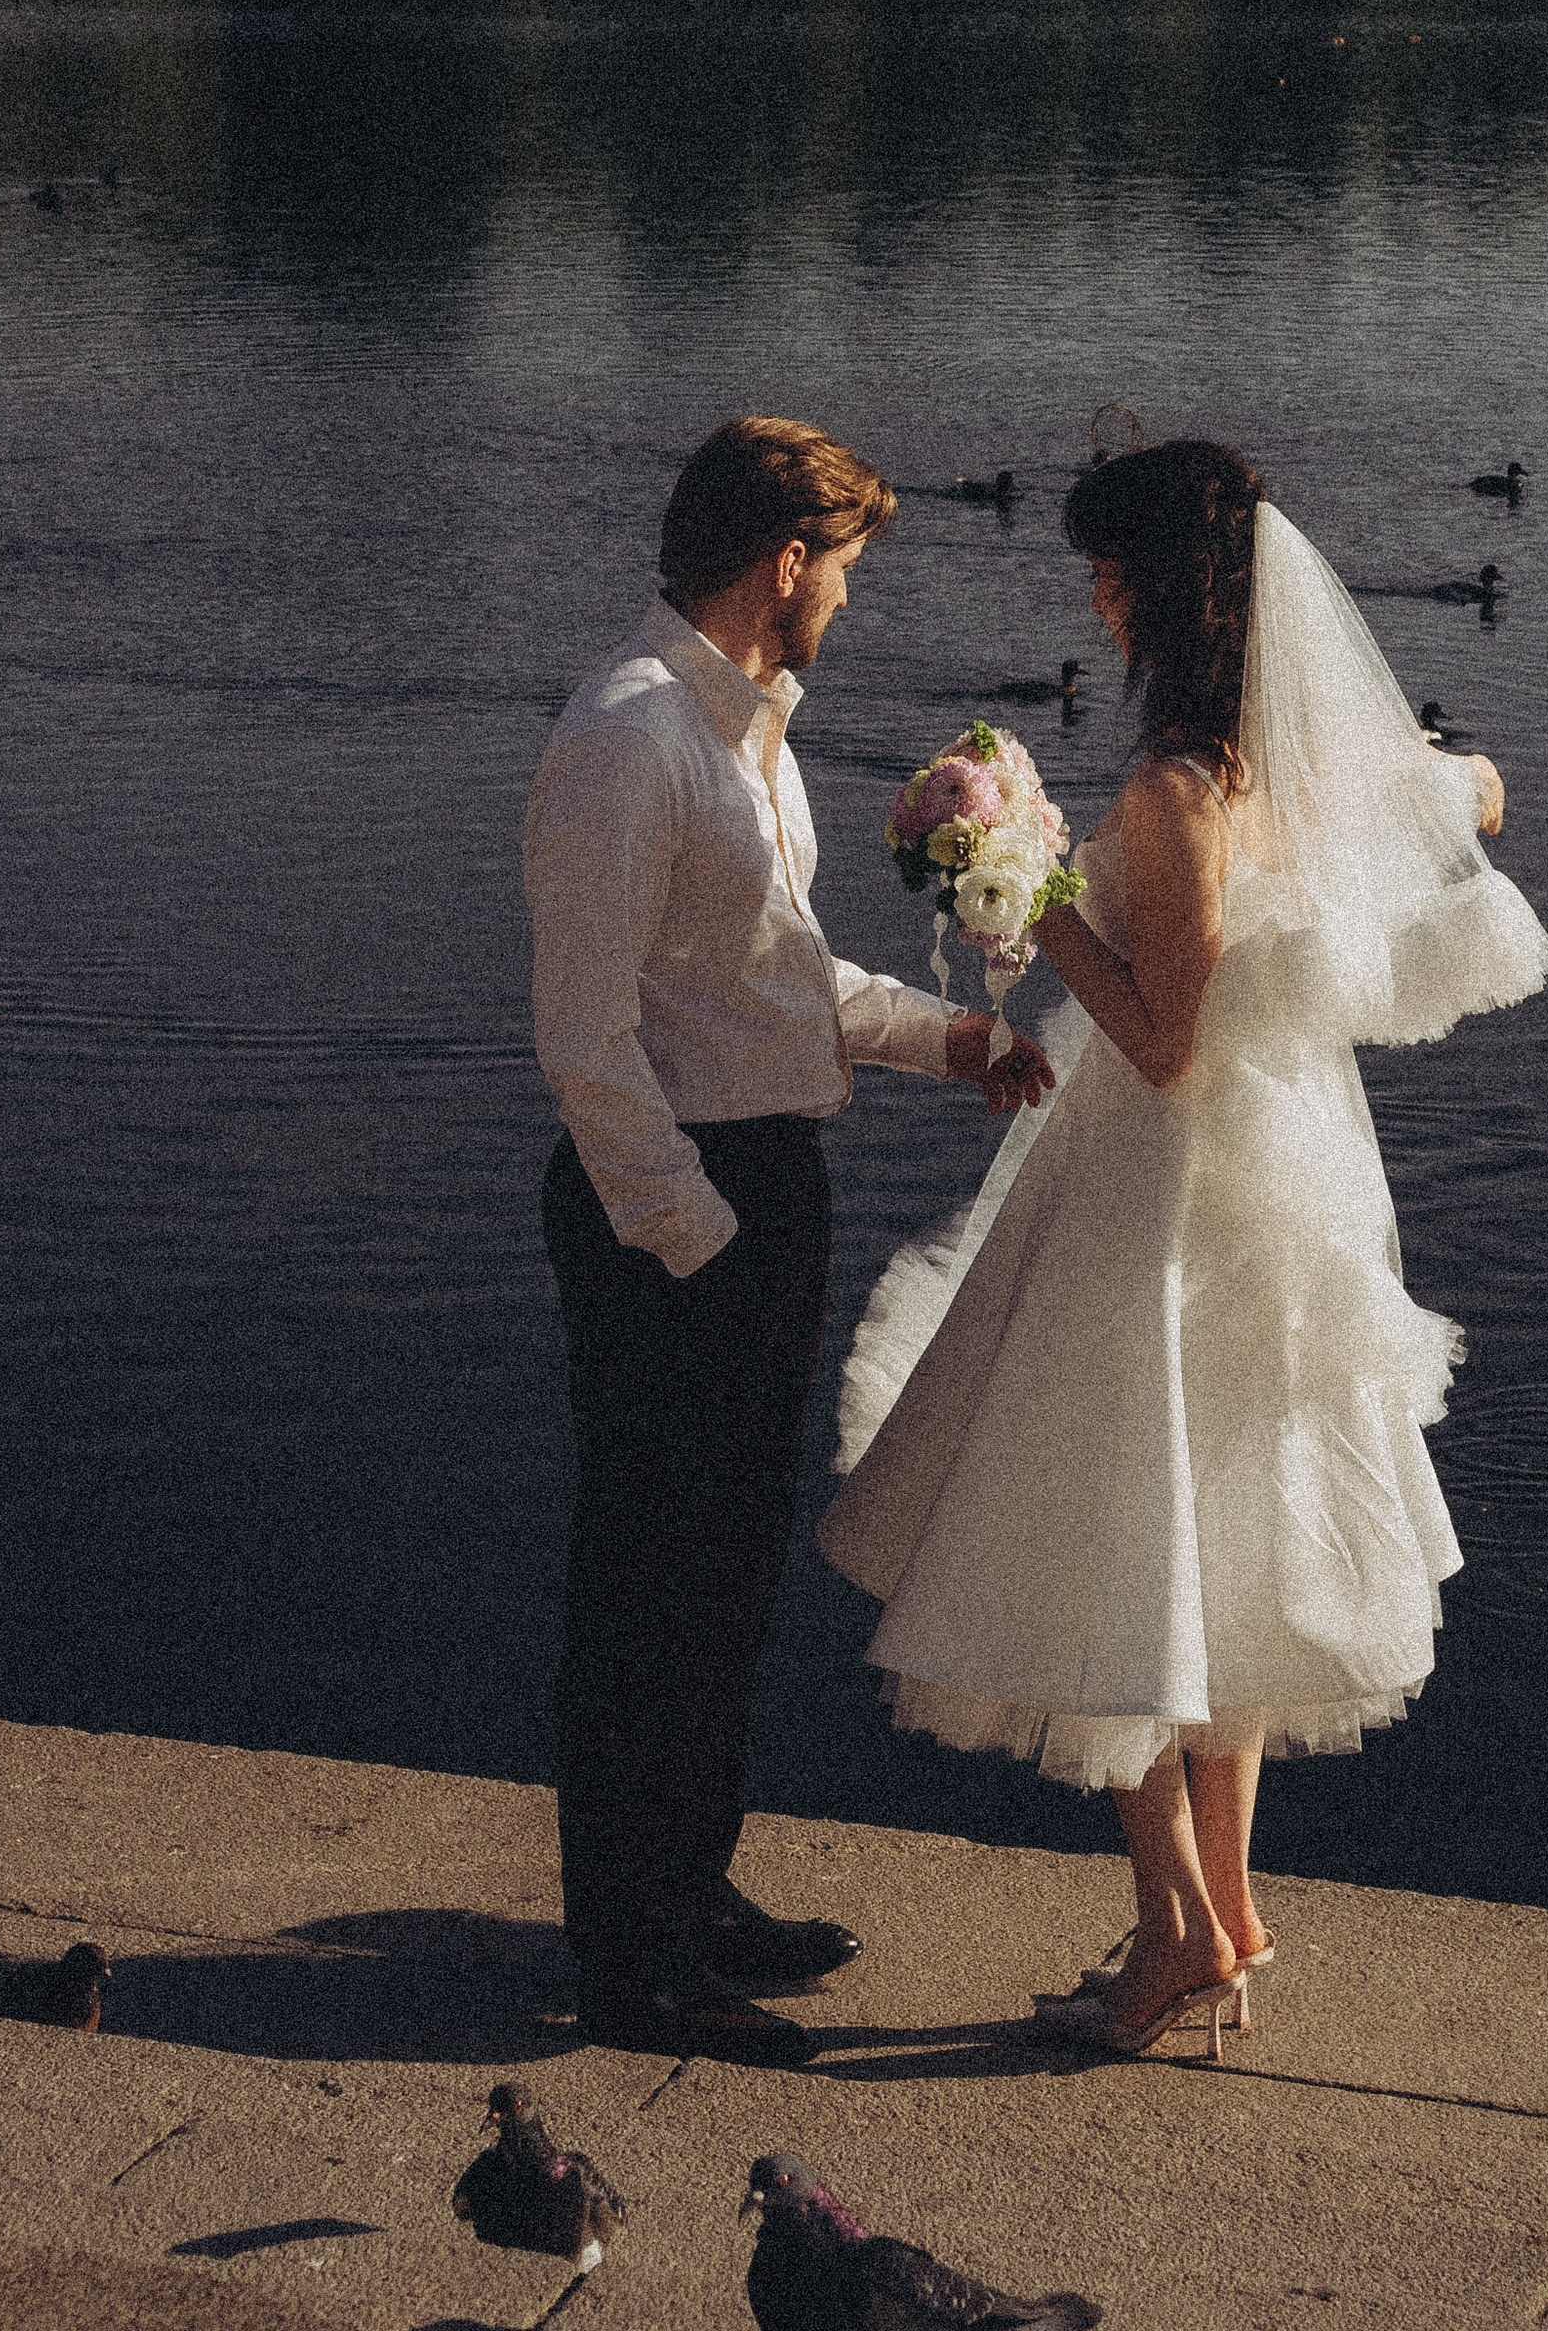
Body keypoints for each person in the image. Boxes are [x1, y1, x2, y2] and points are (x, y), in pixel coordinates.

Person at [821, 439, 1548, 2058]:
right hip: (1280, 1196)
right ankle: (1228, 1912)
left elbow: (1164, 1037)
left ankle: (1174, 1926)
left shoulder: (1173, 786)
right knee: (1222, 1542)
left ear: (1160, 587)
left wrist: (1028, 911)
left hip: (1159, 1191)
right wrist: (1449, 777)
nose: (1089, 591)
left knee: (1109, 1536)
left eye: (1106, 568)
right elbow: (1477, 792)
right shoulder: (1285, 762)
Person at [525, 413, 1049, 2064]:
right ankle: (633, 1964)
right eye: (851, 572)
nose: (854, 604)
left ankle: (692, 1890)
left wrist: (954, 1041)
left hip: (755, 1190)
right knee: (649, 1590)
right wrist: (695, 1238)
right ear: (787, 564)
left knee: (727, 1577)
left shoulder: (747, 736)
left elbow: (778, 981)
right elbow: (585, 1043)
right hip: (674, 1212)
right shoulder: (628, 735)